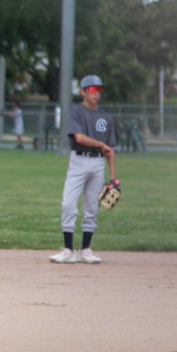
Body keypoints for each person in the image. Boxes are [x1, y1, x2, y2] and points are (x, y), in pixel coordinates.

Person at [49, 74, 117, 265]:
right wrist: (100, 145)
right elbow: (78, 138)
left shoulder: (106, 117)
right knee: (68, 204)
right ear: (83, 92)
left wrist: (113, 178)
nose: (96, 94)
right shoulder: (75, 111)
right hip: (78, 161)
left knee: (92, 207)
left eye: (99, 90)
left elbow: (111, 150)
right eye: (92, 90)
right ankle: (68, 250)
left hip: (97, 163)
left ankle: (86, 250)